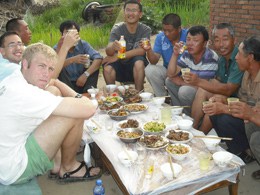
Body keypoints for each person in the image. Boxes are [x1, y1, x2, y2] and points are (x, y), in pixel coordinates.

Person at [0, 43, 101, 185]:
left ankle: (56, 164)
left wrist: (56, 83)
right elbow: (88, 109)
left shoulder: (15, 77)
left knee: (53, 91)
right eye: (41, 66)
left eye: (50, 69)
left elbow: (52, 84)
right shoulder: (25, 93)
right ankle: (69, 168)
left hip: (7, 155)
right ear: (25, 64)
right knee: (73, 113)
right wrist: (80, 97)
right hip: (15, 168)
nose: (46, 74)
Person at [203, 36, 260, 164]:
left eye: (239, 54)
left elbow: (252, 113)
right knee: (216, 113)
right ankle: (243, 152)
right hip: (252, 120)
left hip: (256, 122)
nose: (236, 57)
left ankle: (251, 151)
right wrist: (224, 100)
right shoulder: (247, 74)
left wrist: (224, 108)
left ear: (250, 57)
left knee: (225, 116)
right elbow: (243, 102)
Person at [185, 23, 244, 133]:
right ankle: (193, 128)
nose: (221, 44)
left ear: (234, 40)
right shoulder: (222, 59)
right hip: (226, 97)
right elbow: (217, 82)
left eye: (225, 39)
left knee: (215, 100)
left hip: (238, 101)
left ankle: (201, 136)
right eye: (217, 40)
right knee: (204, 90)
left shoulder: (238, 58)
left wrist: (198, 81)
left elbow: (229, 90)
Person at [165, 25, 219, 115]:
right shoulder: (187, 54)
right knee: (169, 81)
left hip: (205, 94)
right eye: (188, 39)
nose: (190, 43)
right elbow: (170, 74)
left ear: (205, 43)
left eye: (195, 41)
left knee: (184, 90)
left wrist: (181, 82)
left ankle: (190, 117)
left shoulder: (210, 57)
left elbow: (202, 86)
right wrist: (175, 54)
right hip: (192, 87)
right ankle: (179, 112)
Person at [102, 0, 151, 91]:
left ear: (140, 14)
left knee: (139, 62)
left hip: (135, 65)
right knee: (107, 67)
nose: (130, 13)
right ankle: (113, 97)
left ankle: (139, 93)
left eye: (134, 10)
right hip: (120, 66)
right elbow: (108, 51)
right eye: (128, 10)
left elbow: (142, 50)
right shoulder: (117, 29)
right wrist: (112, 47)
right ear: (124, 13)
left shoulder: (145, 29)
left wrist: (119, 56)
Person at [141, 13, 188, 97]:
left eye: (170, 31)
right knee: (150, 69)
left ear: (179, 29)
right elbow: (154, 61)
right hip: (169, 72)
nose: (166, 33)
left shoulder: (189, 36)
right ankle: (162, 98)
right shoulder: (161, 37)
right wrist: (149, 50)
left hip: (187, 73)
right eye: (164, 30)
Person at [54, 20, 103, 93]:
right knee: (61, 69)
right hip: (66, 85)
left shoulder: (83, 44)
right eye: (67, 32)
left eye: (74, 33)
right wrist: (72, 60)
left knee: (93, 63)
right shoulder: (57, 48)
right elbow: (53, 68)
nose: (71, 36)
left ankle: (89, 93)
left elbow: (99, 58)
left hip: (82, 81)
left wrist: (85, 75)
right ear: (61, 34)